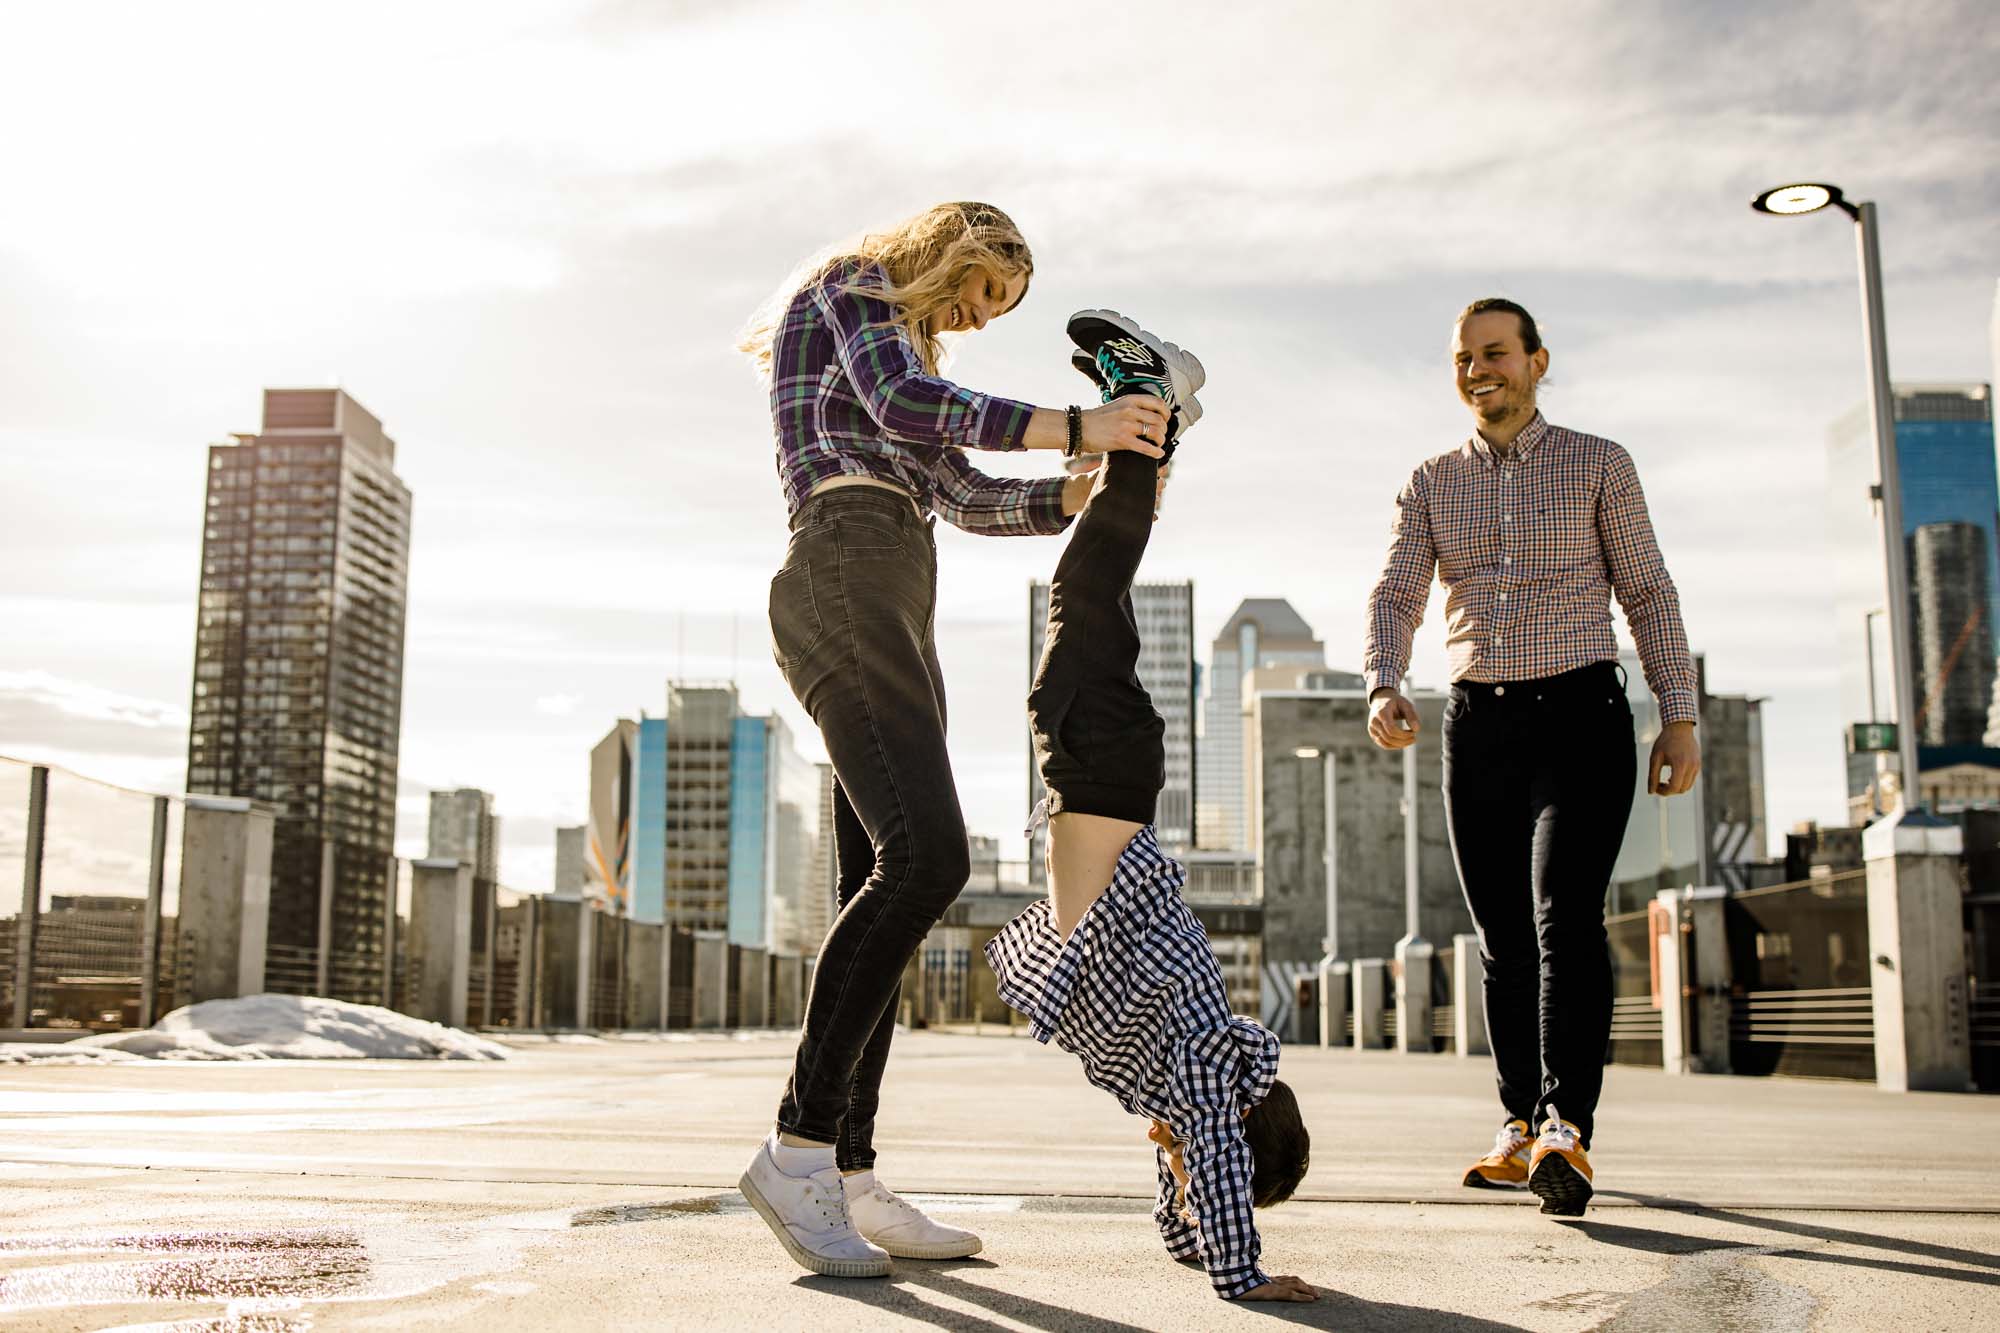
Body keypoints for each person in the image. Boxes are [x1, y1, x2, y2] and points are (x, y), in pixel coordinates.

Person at [733, 203, 1171, 1279]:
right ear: (954, 252)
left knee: (877, 879)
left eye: (999, 311)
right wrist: (1079, 425)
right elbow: (905, 403)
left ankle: (847, 1169)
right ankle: (796, 1152)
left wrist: (1074, 490)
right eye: (984, 294)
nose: (980, 320)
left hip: (893, 584)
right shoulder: (853, 288)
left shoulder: (906, 348)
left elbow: (961, 491)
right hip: (844, 565)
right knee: (927, 859)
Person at [985, 311, 1315, 1303]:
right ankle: (1145, 402)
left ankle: (1154, 430)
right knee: (1082, 592)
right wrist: (1243, 1274)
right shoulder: (1208, 1071)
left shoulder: (1175, 1081)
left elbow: (1182, 1213)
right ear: (1233, 1136)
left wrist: (1194, 1232)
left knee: (1095, 591)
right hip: (1102, 774)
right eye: (1195, 1167)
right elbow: (1208, 1158)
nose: (1173, 1162)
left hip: (1098, 780)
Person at [1361, 298, 1700, 1217]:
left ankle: (1567, 1126)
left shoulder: (1599, 463)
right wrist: (1384, 681)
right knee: (1503, 939)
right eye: (1464, 359)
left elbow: (1648, 591)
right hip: (1481, 724)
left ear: (1537, 362)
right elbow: (1396, 592)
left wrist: (1679, 715)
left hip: (1583, 716)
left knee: (1565, 919)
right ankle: (1518, 1123)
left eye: (1496, 353)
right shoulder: (1431, 481)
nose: (1479, 370)